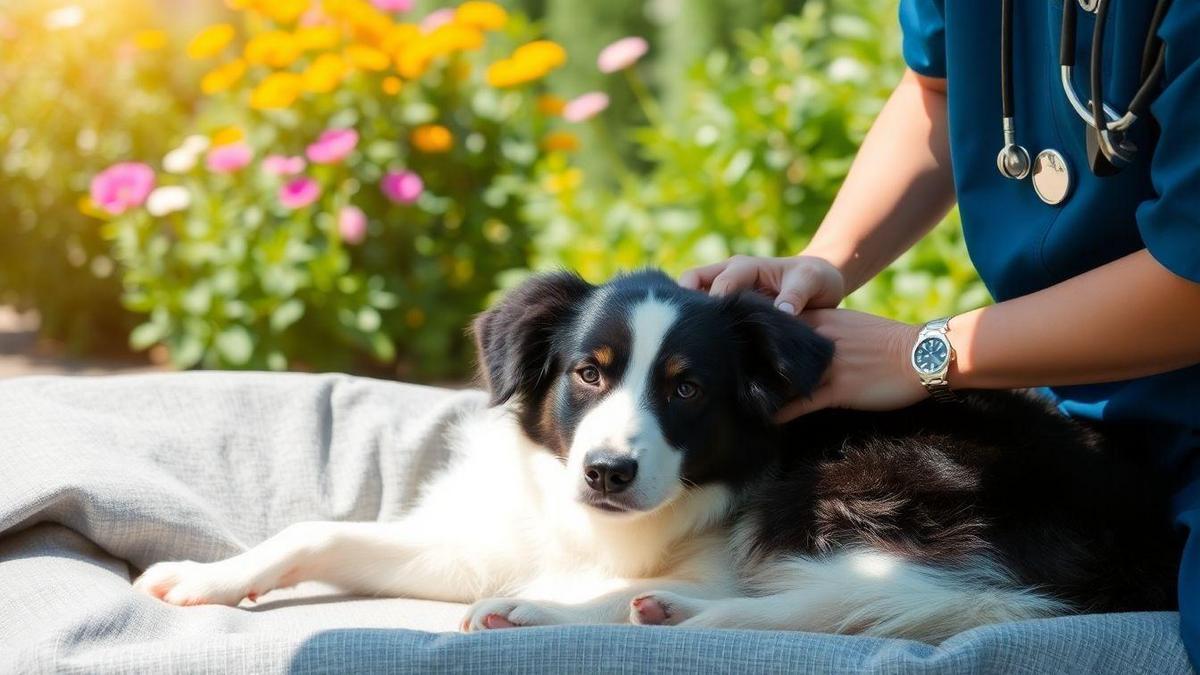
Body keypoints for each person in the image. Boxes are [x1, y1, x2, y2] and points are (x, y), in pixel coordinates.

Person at [681, 0, 1200, 666]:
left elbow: (1190, 281)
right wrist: (825, 261)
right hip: (1063, 413)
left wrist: (921, 352)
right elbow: (939, 90)